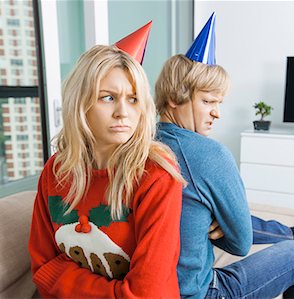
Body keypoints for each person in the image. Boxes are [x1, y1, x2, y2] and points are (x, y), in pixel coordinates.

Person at [155, 13, 294, 298]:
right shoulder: (208, 154)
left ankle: (291, 232)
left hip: (158, 286)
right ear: (174, 96)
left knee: (222, 207)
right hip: (201, 292)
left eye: (219, 103)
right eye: (208, 101)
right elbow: (240, 244)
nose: (217, 112)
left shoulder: (145, 141)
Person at [28, 22, 185, 298]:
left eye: (133, 99)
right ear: (81, 104)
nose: (123, 112)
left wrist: (64, 276)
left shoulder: (157, 175)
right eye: (108, 98)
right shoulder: (55, 172)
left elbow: (148, 293)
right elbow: (42, 268)